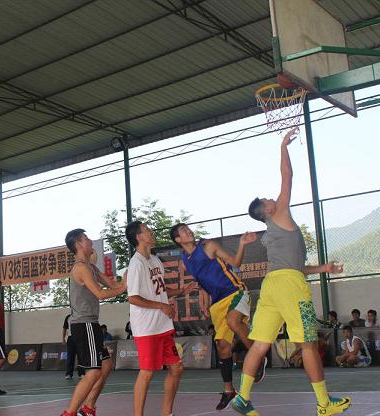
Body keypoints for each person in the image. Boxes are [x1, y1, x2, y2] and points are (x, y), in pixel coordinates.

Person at [232, 127, 351, 416]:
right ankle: (324, 404)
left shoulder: (272, 233)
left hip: (272, 286)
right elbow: (287, 176)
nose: (272, 199)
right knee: (308, 344)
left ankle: (242, 398)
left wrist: (323, 268)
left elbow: (293, 266)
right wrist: (283, 146)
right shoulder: (280, 213)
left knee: (260, 345)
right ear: (267, 211)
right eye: (267, 200)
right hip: (289, 286)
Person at [169, 223, 266, 410]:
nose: (189, 231)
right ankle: (229, 390)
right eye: (184, 231)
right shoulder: (185, 259)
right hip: (217, 303)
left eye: (188, 228)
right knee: (222, 347)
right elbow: (203, 280)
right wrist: (205, 301)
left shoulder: (208, 246)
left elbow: (235, 263)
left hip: (235, 291)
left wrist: (242, 244)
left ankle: (258, 357)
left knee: (233, 320)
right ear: (178, 240)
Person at [125, 220, 195, 416]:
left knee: (176, 368)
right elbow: (133, 297)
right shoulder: (136, 264)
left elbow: (160, 291)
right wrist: (162, 306)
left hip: (162, 325)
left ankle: (167, 413)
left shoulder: (155, 261)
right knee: (147, 372)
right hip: (146, 328)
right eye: (147, 230)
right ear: (139, 237)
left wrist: (181, 291)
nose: (151, 232)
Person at [60, 229, 127, 416]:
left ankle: (88, 409)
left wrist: (127, 281)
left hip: (91, 324)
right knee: (93, 372)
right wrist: (122, 289)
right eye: (87, 238)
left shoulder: (90, 267)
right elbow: (100, 293)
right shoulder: (80, 268)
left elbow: (112, 284)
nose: (90, 241)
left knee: (105, 366)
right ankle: (69, 413)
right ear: (79, 244)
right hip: (84, 325)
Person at [62, 313, 85, 380]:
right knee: (70, 356)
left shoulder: (81, 316)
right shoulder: (68, 317)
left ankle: (81, 373)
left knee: (81, 357)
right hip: (71, 338)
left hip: (80, 338)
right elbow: (64, 328)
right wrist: (63, 338)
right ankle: (69, 374)